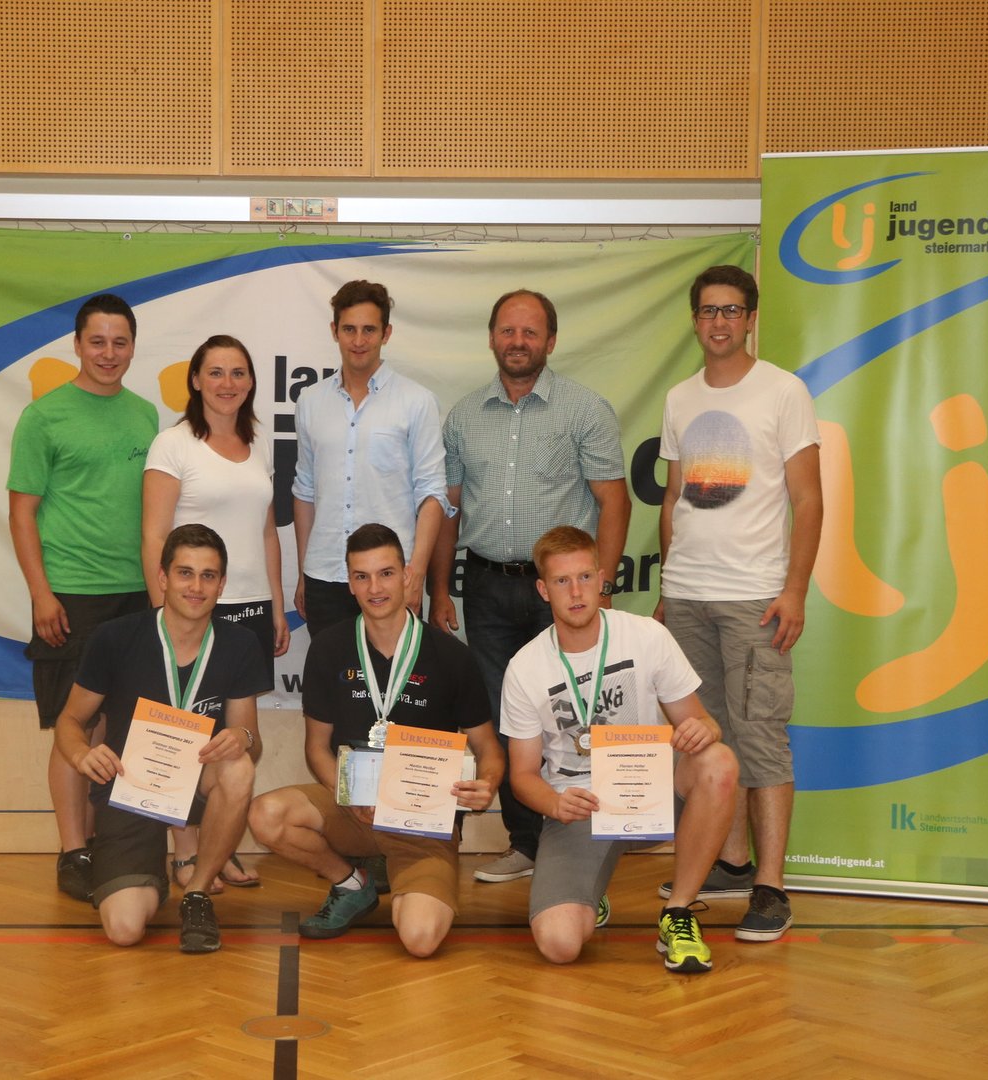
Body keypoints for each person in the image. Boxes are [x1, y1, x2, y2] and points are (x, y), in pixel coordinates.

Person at [428, 288, 631, 886]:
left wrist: (601, 586)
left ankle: (586, 845)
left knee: (573, 717)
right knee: (504, 718)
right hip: (487, 587)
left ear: (551, 341)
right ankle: (526, 845)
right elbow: (449, 510)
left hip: (564, 593)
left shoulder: (584, 410)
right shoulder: (465, 415)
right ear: (492, 338)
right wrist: (440, 589)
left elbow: (614, 502)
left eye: (530, 332)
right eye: (508, 331)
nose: (518, 342)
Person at [655, 265, 823, 943]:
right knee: (703, 738)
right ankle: (729, 863)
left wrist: (795, 590)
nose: (718, 322)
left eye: (731, 311)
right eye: (707, 311)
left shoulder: (784, 390)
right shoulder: (679, 398)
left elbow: (808, 498)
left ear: (751, 319)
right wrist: (667, 588)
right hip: (686, 597)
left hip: (755, 597)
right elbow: (674, 498)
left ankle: (771, 887)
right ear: (694, 321)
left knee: (760, 741)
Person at [248, 523, 503, 956]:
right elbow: (316, 748)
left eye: (386, 573)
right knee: (266, 815)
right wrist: (347, 795)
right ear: (349, 583)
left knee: (420, 940)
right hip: (356, 811)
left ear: (407, 575)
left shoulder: (450, 655)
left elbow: (488, 746)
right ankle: (352, 882)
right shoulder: (329, 647)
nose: (375, 588)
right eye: (361, 576)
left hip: (422, 821)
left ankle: (409, 876)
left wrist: (488, 783)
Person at [502, 526, 739, 972]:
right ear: (543, 590)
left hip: (650, 794)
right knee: (559, 944)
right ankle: (589, 893)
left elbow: (701, 721)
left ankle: (678, 912)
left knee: (719, 762)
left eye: (584, 577)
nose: (576, 592)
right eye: (561, 581)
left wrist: (703, 730)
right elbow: (522, 776)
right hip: (580, 807)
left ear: (601, 579)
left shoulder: (646, 635)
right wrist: (554, 803)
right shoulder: (525, 668)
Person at [54, 524, 268, 953]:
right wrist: (80, 755)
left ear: (222, 584)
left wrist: (240, 737)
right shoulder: (116, 637)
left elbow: (252, 739)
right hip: (130, 787)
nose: (196, 587)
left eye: (208, 576)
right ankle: (146, 871)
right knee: (124, 929)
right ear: (163, 577)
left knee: (238, 768)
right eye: (185, 573)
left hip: (197, 781)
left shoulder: (240, 644)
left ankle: (197, 894)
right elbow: (70, 720)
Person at [8, 293, 158, 902]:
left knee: (117, 729)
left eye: (120, 342)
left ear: (133, 346)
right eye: (97, 341)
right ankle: (73, 850)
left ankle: (104, 844)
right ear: (77, 344)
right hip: (72, 595)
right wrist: (41, 594)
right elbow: (22, 513)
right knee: (75, 726)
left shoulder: (146, 415)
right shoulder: (43, 418)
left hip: (138, 595)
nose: (108, 353)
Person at [142, 334, 288, 893]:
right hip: (191, 608)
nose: (228, 383)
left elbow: (267, 532)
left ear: (251, 382)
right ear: (196, 380)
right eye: (217, 372)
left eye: (239, 373)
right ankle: (186, 851)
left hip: (249, 608)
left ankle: (218, 847)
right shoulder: (173, 445)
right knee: (184, 730)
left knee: (237, 738)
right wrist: (164, 613)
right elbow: (154, 535)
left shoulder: (259, 443)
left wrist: (276, 603)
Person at [292, 280, 451, 638]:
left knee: (395, 673)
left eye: (369, 330)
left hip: (392, 579)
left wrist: (416, 574)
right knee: (332, 673)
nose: (359, 340)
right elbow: (304, 492)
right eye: (349, 329)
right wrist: (303, 572)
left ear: (386, 333)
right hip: (325, 577)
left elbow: (432, 494)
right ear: (334, 331)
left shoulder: (417, 402)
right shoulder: (310, 402)